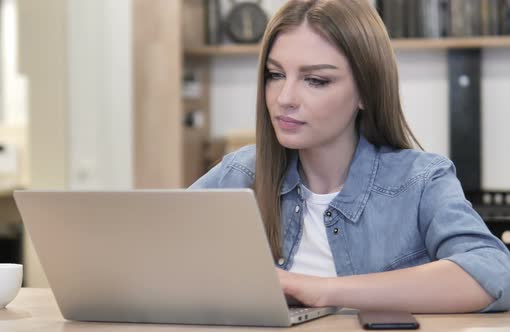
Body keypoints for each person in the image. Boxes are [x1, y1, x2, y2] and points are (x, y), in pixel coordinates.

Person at [190, 0, 510, 313]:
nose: (284, 98)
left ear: (365, 93)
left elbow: (494, 273)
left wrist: (316, 289)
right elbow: (154, 255)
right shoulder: (240, 173)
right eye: (275, 75)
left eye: (316, 80)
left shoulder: (422, 180)